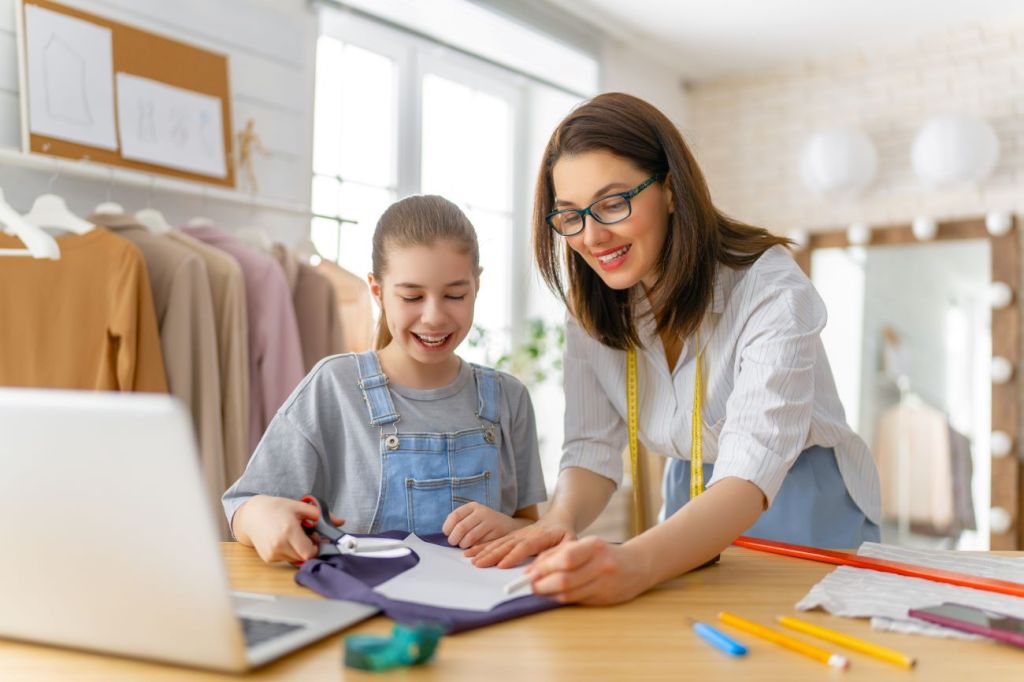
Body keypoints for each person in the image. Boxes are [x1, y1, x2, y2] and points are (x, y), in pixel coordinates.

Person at [468, 92, 881, 605]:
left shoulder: (771, 290)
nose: (592, 236)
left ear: (668, 188)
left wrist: (635, 563)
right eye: (569, 216)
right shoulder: (593, 305)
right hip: (691, 492)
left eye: (613, 202)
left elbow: (748, 468)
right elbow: (592, 447)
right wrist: (559, 520)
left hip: (804, 498)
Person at [224, 195, 546, 564]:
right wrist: (263, 516)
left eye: (455, 295)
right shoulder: (334, 387)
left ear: (477, 286)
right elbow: (242, 507)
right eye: (412, 296)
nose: (434, 317)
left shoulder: (509, 397)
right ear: (377, 291)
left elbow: (529, 526)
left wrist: (509, 528)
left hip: (484, 613)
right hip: (367, 611)